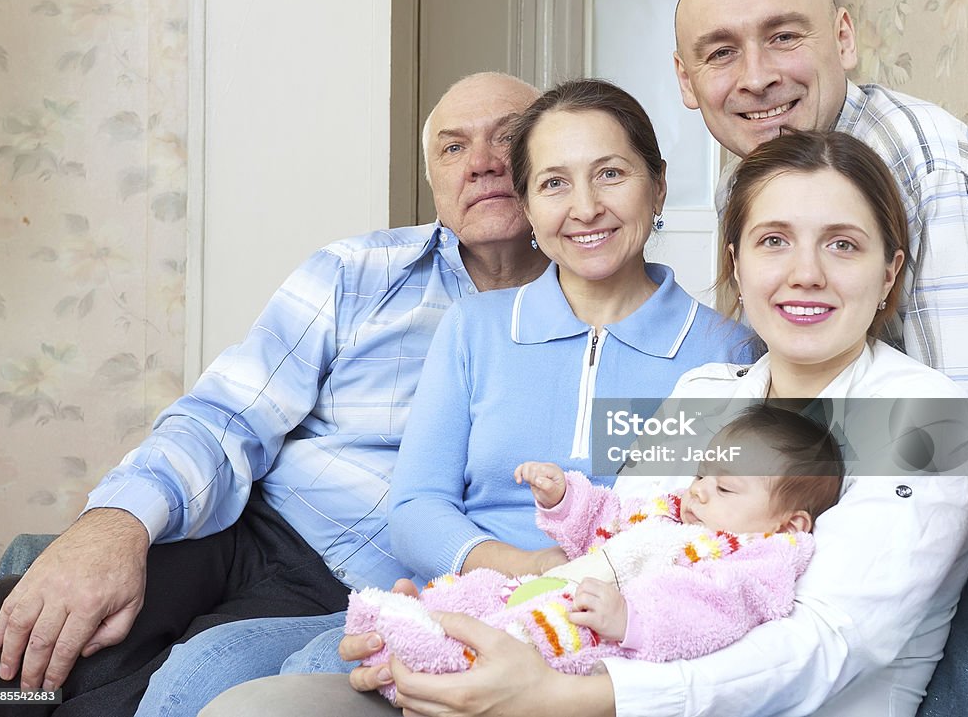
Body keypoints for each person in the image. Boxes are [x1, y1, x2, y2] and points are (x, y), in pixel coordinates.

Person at [205, 129, 968, 717]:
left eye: (843, 245)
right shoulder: (710, 388)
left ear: (889, 271)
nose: (804, 272)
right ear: (737, 261)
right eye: (773, 241)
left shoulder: (923, 417)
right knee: (255, 706)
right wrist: (471, 612)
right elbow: (622, 548)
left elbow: (823, 649)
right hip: (578, 670)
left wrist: (554, 694)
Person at [133, 78, 752, 716]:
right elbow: (417, 505)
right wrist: (525, 564)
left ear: (659, 186)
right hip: (461, 602)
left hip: (609, 627)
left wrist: (574, 588)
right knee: (204, 670)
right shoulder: (476, 329)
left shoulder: (722, 354)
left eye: (612, 174)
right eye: (555, 183)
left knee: (305, 675)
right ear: (531, 206)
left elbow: (710, 523)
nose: (586, 206)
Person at [0, 72, 552, 715]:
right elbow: (225, 415)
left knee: (148, 693)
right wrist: (116, 524)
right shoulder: (356, 271)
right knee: (31, 655)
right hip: (245, 525)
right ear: (433, 179)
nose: (481, 163)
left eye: (509, 137)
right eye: (452, 148)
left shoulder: (591, 327)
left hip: (356, 590)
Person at [672, 0, 968, 424]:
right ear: (686, 79)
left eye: (783, 37)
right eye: (722, 53)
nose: (757, 77)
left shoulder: (935, 171)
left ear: (843, 39)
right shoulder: (740, 181)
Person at [342, 404, 842, 700]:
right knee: (481, 594)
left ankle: (422, 648)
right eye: (700, 477)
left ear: (789, 522)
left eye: (726, 489)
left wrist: (629, 619)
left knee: (517, 635)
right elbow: (606, 519)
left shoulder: (751, 562)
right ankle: (411, 618)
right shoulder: (669, 513)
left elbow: (710, 613)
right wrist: (564, 498)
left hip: (592, 630)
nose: (700, 493)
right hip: (549, 584)